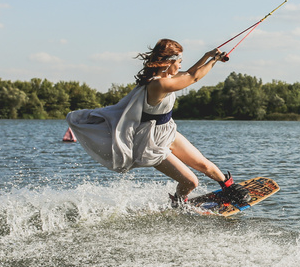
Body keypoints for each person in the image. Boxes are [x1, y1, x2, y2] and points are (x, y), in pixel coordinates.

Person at [66, 38, 252, 208]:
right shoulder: (158, 85)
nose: (180, 66)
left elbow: (189, 73)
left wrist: (207, 56)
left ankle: (229, 188)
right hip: (150, 141)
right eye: (178, 62)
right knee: (191, 182)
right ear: (168, 62)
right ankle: (179, 204)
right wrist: (214, 61)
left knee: (205, 165)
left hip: (166, 131)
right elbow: (193, 77)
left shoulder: (167, 78)